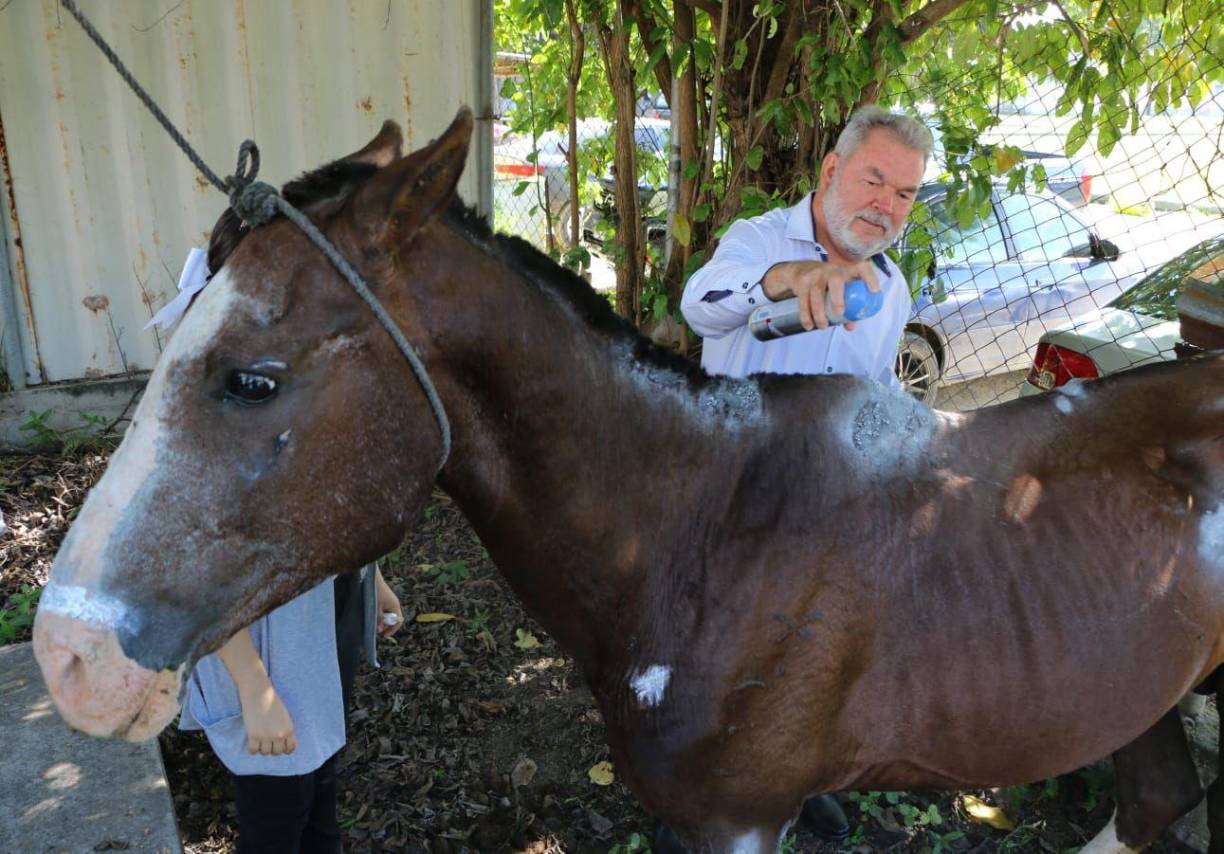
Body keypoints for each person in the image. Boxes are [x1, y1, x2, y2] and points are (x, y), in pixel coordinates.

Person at [680, 105, 933, 841]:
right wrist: (784, 280)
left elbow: (874, 387)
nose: (886, 206)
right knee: (714, 662)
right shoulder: (759, 239)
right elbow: (700, 308)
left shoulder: (890, 288)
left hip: (821, 506)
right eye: (873, 181)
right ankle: (691, 802)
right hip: (729, 495)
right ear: (830, 171)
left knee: (809, 655)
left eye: (904, 194)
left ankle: (795, 779)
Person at [179, 566, 403, 853]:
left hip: (328, 608)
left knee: (320, 806)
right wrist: (254, 687)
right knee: (277, 816)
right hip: (259, 648)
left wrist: (372, 576)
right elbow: (201, 573)